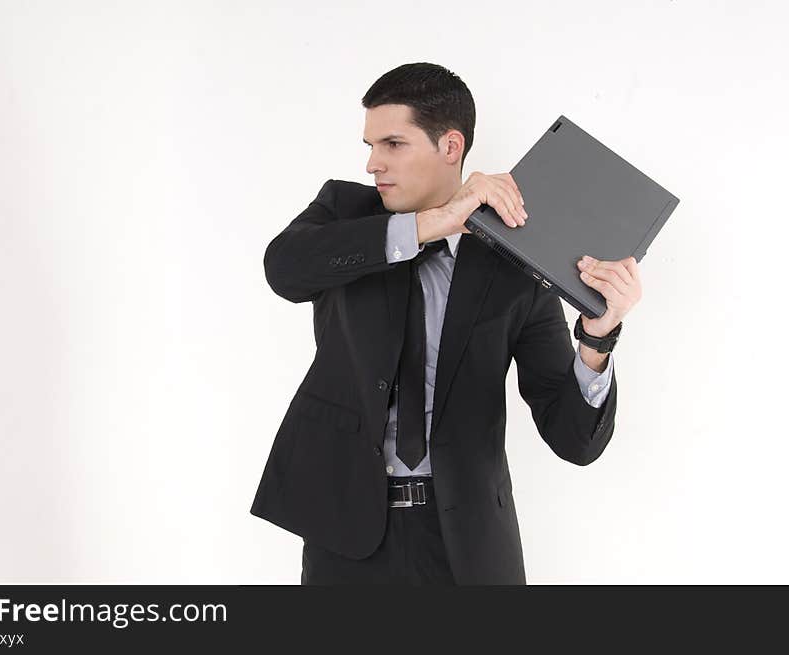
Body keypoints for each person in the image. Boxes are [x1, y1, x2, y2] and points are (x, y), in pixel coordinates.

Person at [250, 62, 642, 585]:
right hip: (347, 535)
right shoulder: (345, 214)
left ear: (450, 146)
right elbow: (285, 270)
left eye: (392, 144)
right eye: (369, 145)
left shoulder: (515, 265)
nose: (372, 164)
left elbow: (575, 439)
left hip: (468, 544)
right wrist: (436, 222)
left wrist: (598, 335)